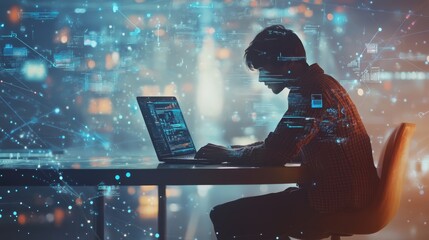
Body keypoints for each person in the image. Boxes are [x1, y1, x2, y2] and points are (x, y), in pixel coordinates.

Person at [195, 25, 380, 239]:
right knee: (259, 213)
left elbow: (275, 155)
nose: (261, 79)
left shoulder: (310, 92)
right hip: (349, 196)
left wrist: (228, 155)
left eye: (264, 69)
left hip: (335, 201)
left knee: (225, 216)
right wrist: (239, 150)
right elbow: (287, 146)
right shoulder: (322, 84)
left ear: (287, 63)